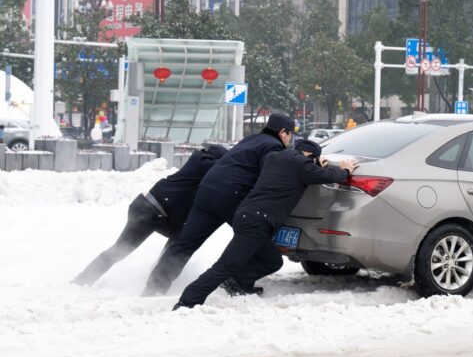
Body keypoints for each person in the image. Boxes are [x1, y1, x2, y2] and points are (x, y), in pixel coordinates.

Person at [174, 139, 359, 309]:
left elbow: (299, 172)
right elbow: (330, 176)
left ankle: (239, 282)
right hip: (258, 221)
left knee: (272, 260)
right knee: (225, 266)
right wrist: (345, 170)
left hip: (246, 215)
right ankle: (187, 301)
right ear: (310, 156)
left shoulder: (274, 158)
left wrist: (314, 164)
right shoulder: (302, 165)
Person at [142, 113, 294, 296]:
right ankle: (238, 281)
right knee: (255, 237)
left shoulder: (250, 139)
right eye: (290, 134)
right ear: (282, 132)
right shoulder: (273, 146)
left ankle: (154, 289)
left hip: (206, 191)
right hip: (232, 195)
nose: (290, 139)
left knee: (185, 244)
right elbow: (268, 176)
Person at [71, 145, 228, 286]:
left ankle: (158, 278)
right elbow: (223, 169)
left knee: (179, 241)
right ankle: (83, 281)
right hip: (150, 210)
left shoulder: (199, 164)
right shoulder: (203, 164)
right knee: (120, 249)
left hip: (153, 210)